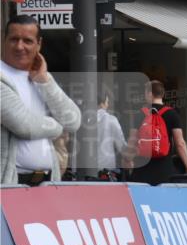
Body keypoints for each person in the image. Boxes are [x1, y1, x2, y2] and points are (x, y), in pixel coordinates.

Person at [0, 15, 81, 185]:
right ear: (3, 40)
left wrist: (45, 81)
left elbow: (73, 121)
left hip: (46, 181)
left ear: (39, 44)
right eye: (14, 39)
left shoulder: (42, 77)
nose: (19, 46)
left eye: (27, 41)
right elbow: (24, 125)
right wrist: (59, 127)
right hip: (10, 183)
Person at [126, 80, 187, 184]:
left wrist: (128, 159)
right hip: (164, 170)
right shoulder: (172, 114)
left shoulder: (139, 114)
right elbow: (180, 143)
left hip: (141, 171)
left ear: (149, 94)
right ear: (162, 94)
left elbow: (132, 140)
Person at [96, 89, 127, 180]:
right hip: (105, 170)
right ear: (102, 103)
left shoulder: (82, 119)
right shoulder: (111, 119)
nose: (108, 105)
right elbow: (121, 146)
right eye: (107, 102)